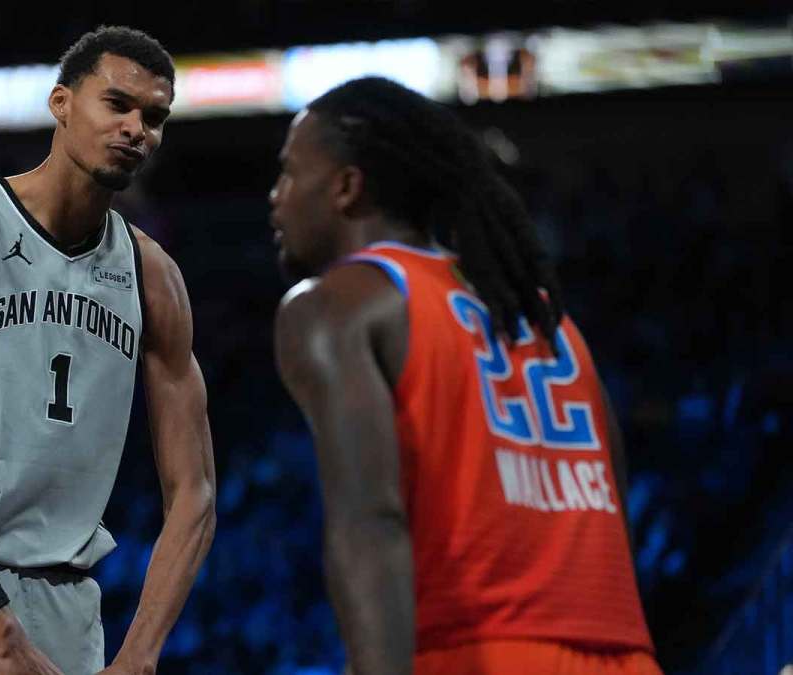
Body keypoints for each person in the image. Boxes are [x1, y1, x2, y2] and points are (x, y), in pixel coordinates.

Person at [0, 25, 215, 675]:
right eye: (118, 105)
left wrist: (139, 654)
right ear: (62, 104)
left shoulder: (153, 276)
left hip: (68, 603)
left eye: (155, 118)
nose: (137, 128)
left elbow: (194, 489)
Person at [271, 77, 659, 675]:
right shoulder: (543, 314)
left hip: (475, 650)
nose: (277, 196)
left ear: (346, 188)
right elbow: (616, 524)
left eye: (290, 174)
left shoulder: (335, 304)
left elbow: (371, 520)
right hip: (622, 653)